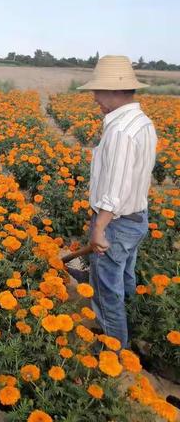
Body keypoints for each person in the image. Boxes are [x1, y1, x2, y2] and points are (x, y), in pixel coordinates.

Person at [78, 55, 157, 349]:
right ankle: (129, 324)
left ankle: (113, 346)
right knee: (124, 276)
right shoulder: (142, 122)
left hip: (116, 222)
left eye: (97, 92)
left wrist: (99, 228)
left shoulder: (121, 130)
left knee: (105, 289)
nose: (95, 98)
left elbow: (115, 187)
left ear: (114, 91)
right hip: (136, 217)